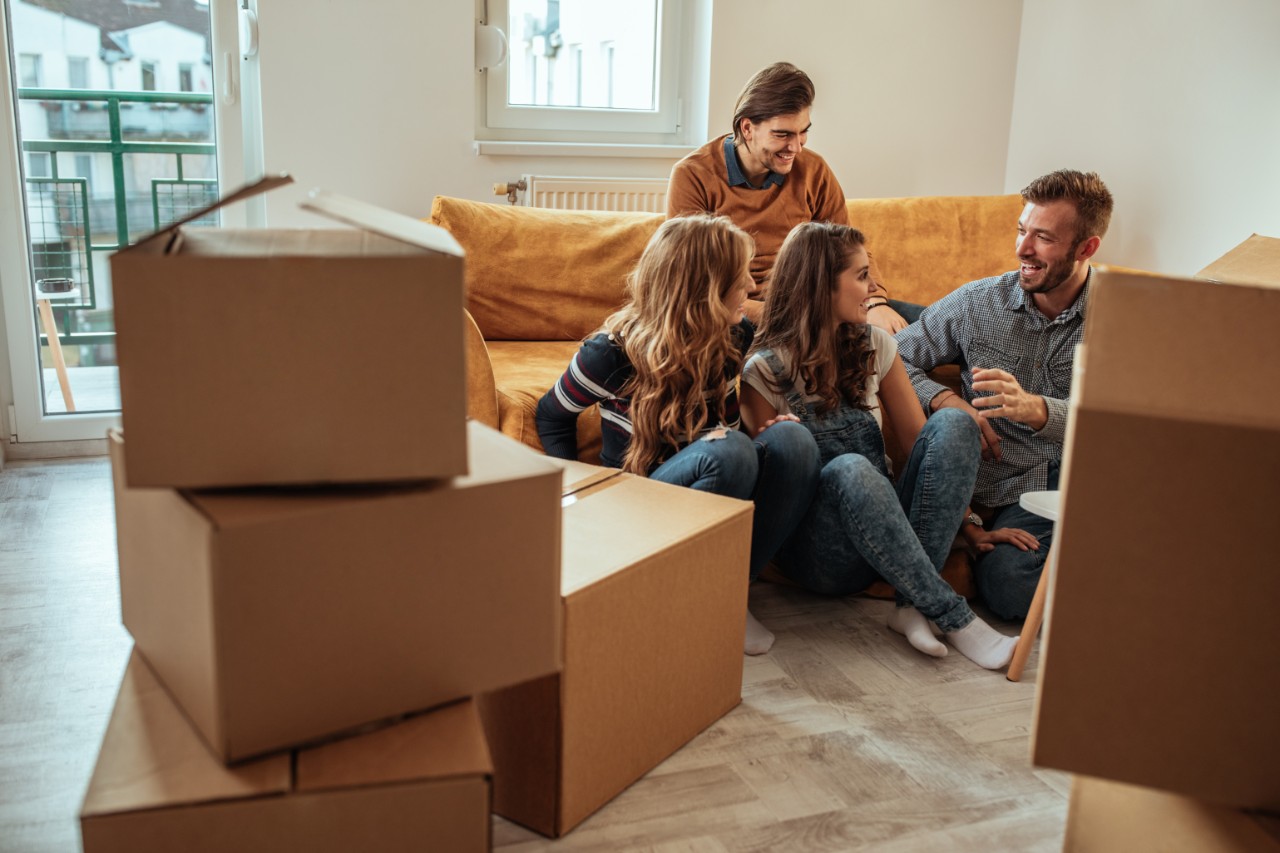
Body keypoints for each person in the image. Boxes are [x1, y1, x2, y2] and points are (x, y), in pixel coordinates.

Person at [535, 214, 820, 656]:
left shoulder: (735, 335)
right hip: (633, 502)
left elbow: (725, 426)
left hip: (706, 481)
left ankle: (729, 592)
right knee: (730, 452)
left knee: (794, 442)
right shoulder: (610, 354)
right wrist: (573, 499)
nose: (751, 285)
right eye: (739, 274)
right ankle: (695, 598)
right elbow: (551, 414)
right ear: (704, 287)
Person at [739, 221, 1018, 670]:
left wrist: (971, 524)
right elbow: (775, 487)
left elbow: (920, 447)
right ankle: (954, 616)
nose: (873, 288)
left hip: (888, 537)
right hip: (820, 554)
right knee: (849, 467)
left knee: (952, 422)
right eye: (861, 275)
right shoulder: (764, 370)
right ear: (820, 286)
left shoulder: (875, 345)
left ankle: (910, 604)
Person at [894, 169, 1115, 619]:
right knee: (1013, 586)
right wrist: (944, 399)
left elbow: (1124, 426)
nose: (1022, 250)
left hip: (1052, 487)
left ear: (1087, 248)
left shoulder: (1121, 320)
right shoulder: (978, 302)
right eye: (1021, 231)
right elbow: (889, 360)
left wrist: (1039, 410)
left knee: (1012, 586)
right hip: (974, 484)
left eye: (1044, 238)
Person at [665, 61, 918, 332]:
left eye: (803, 132)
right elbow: (695, 283)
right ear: (747, 128)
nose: (796, 147)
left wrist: (874, 303)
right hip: (740, 317)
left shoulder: (813, 169)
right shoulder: (693, 175)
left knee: (959, 316)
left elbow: (849, 249)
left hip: (815, 307)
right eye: (782, 134)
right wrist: (789, 319)